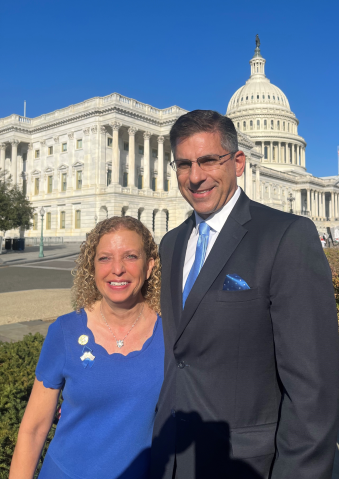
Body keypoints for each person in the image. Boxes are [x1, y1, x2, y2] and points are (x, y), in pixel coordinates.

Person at [150, 110, 339, 479]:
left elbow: (313, 389)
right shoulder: (171, 244)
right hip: (173, 458)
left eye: (208, 160)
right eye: (184, 164)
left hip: (247, 464)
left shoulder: (287, 236)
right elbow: (181, 355)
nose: (195, 176)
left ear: (238, 162)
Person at [9, 216, 164, 479]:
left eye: (130, 257)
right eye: (105, 258)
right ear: (92, 267)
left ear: (149, 266)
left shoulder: (171, 333)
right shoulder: (65, 331)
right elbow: (33, 429)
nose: (117, 269)